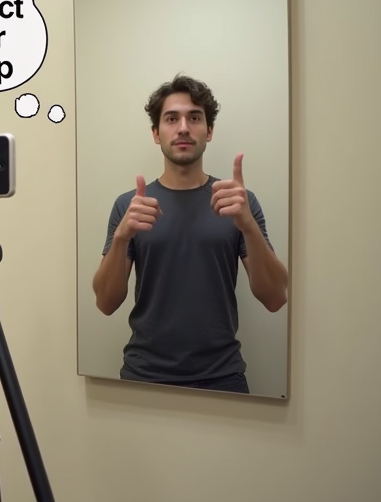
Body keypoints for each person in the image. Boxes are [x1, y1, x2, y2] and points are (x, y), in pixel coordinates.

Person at [91, 74, 288, 394]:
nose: (183, 127)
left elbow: (276, 297)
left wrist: (248, 226)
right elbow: (105, 302)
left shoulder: (239, 202)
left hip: (223, 377)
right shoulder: (130, 205)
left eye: (194, 118)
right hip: (144, 375)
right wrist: (121, 237)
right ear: (156, 133)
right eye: (171, 118)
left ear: (209, 131)